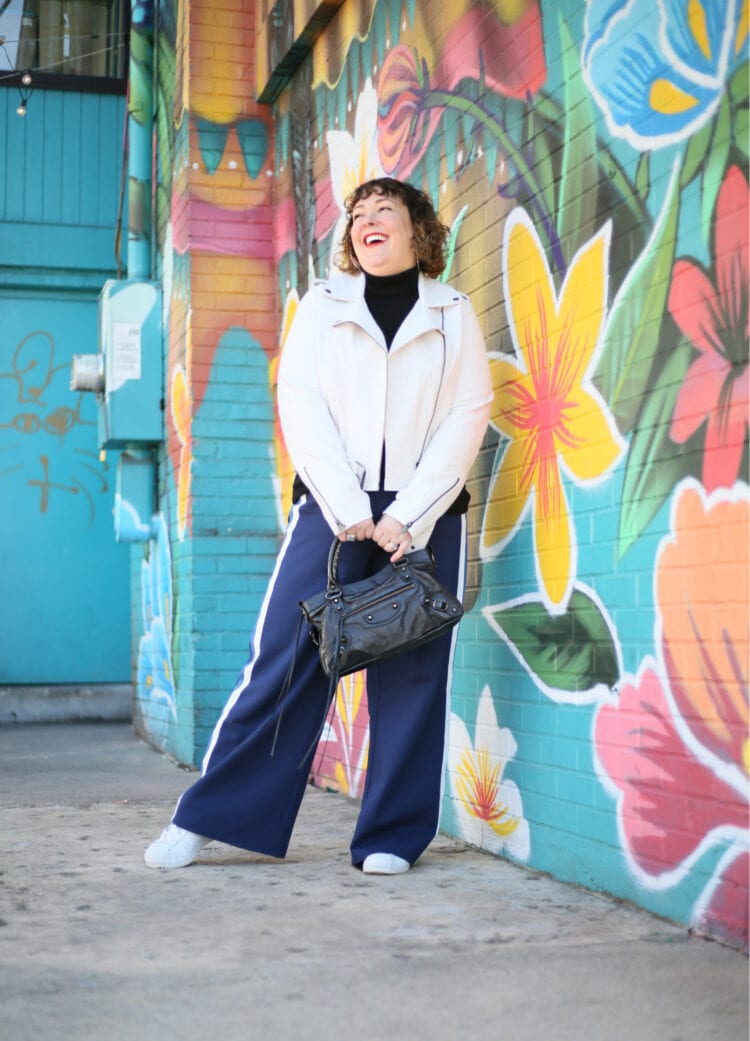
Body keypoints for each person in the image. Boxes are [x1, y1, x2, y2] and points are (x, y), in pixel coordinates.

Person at [144, 177, 493, 874]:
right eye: (358, 215)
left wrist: (408, 516)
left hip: (424, 519)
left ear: (417, 230)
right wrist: (352, 508)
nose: (368, 223)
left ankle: (392, 835)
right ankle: (208, 815)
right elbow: (300, 404)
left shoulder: (454, 313)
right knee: (284, 659)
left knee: (413, 673)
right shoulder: (324, 305)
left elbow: (467, 414)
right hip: (336, 512)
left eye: (384, 212)